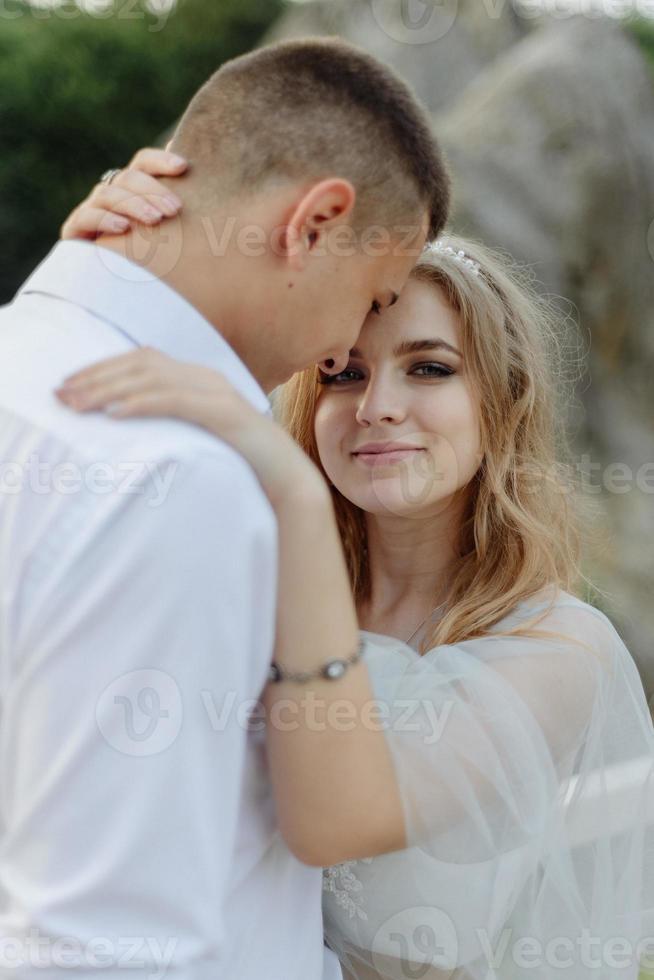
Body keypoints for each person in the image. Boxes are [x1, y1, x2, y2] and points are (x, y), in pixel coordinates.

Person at [61, 173, 654, 979]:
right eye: (343, 373)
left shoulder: (558, 648)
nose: (377, 406)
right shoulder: (251, 582)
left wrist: (292, 494)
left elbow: (342, 820)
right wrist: (104, 271)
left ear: (501, 402)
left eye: (430, 368)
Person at [0, 38, 450, 979]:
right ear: (314, 223)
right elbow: (108, 950)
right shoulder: (177, 477)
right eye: (369, 298)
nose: (337, 352)